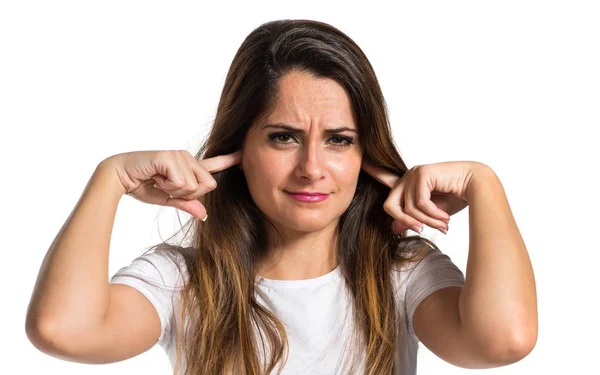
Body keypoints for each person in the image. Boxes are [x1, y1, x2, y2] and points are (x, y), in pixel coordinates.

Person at [25, 19, 537, 375]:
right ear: (238, 148)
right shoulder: (183, 280)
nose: (312, 167)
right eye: (283, 136)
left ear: (366, 156)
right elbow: (63, 331)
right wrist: (108, 179)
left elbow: (503, 342)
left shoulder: (399, 273)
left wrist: (483, 184)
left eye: (339, 140)